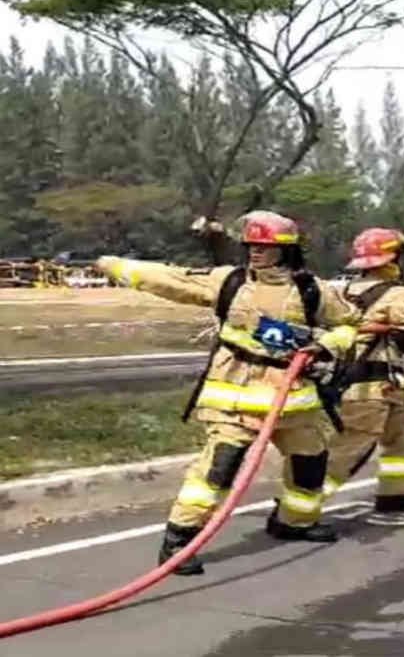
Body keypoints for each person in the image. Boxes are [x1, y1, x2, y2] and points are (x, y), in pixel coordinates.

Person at [97, 211, 360, 575]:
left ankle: (294, 522)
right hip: (235, 396)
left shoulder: (312, 289)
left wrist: (326, 345)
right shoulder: (229, 282)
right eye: (251, 246)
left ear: (287, 251)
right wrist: (113, 265)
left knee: (310, 464)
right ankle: (179, 542)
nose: (255, 252)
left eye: (265, 247)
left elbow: (350, 325)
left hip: (294, 399)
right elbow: (172, 279)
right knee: (218, 469)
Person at [323, 228, 404, 514]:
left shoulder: (344, 292)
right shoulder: (398, 295)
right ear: (394, 258)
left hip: (382, 383)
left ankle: (398, 495)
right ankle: (299, 501)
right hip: (370, 384)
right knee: (350, 447)